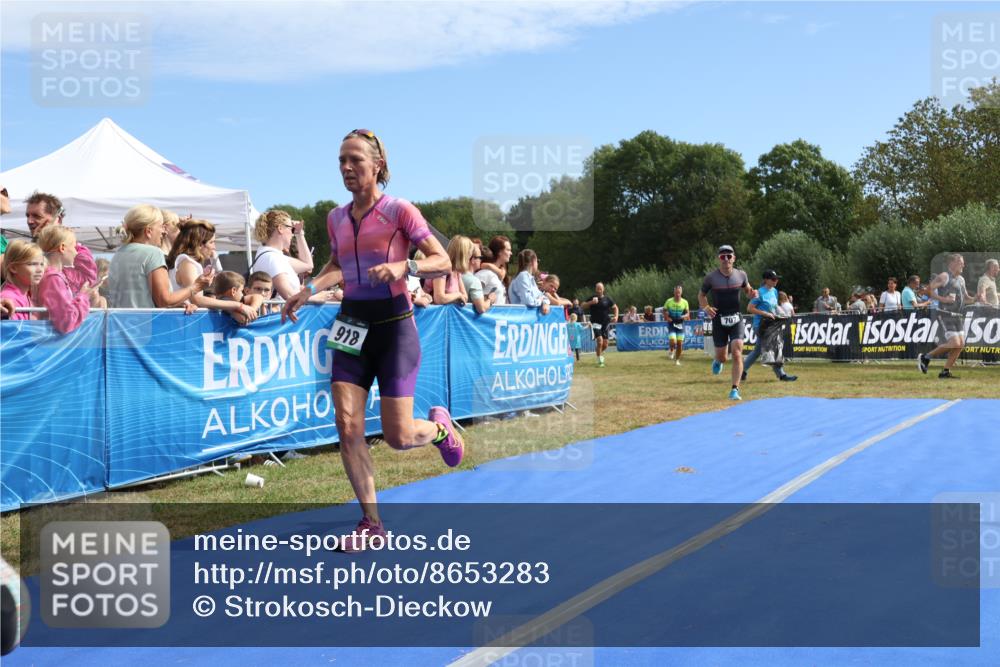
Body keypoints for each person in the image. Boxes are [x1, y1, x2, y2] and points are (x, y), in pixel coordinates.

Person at [281, 128, 461, 552]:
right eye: (341, 160)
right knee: (346, 425)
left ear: (377, 164)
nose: (346, 168)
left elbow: (443, 259)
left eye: (355, 160)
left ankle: (438, 430)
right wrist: (308, 290)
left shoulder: (399, 211)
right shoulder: (335, 217)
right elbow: (335, 264)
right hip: (351, 326)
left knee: (397, 437)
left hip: (395, 326)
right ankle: (371, 522)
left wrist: (406, 268)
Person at [108, 204, 213, 311]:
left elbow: (135, 298)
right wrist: (195, 287)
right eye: (161, 226)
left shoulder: (118, 253)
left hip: (118, 324)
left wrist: (179, 303)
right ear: (148, 231)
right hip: (146, 325)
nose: (164, 231)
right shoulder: (153, 253)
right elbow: (164, 300)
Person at [699, 244, 754, 400]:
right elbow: (701, 296)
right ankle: (718, 361)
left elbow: (748, 290)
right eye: (723, 257)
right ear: (719, 259)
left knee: (737, 352)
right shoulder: (711, 278)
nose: (726, 259)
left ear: (734, 258)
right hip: (719, 320)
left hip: (736, 318)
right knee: (723, 357)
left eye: (729, 256)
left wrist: (752, 294)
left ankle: (734, 389)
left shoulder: (741, 275)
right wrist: (706, 307)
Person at [24, 191, 98, 297]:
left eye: (36, 216)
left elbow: (88, 281)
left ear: (57, 219)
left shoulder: (72, 249)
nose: (29, 221)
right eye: (28, 216)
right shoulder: (27, 250)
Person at [918, 253, 975, 379]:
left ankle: (945, 371)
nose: (963, 265)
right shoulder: (944, 276)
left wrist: (977, 298)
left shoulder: (961, 279)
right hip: (945, 314)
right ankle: (925, 357)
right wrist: (942, 299)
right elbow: (927, 290)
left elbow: (966, 298)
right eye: (961, 262)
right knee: (954, 342)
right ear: (952, 263)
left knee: (960, 344)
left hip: (957, 315)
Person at [35, 226, 96, 334]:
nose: (76, 252)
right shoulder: (53, 279)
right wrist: (83, 297)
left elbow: (87, 277)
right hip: (54, 346)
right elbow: (67, 322)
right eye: (74, 247)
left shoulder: (54, 274)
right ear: (62, 248)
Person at [742, 270, 797, 383]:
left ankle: (741, 371)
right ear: (766, 280)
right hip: (760, 325)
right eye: (773, 279)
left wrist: (781, 312)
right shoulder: (759, 293)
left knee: (757, 351)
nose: (776, 280)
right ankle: (781, 375)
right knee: (775, 347)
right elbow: (750, 308)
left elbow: (774, 306)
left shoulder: (775, 292)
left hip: (771, 325)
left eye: (776, 278)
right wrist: (765, 313)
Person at [252, 210, 314, 300]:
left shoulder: (273, 255)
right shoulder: (271, 258)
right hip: (281, 313)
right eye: (291, 229)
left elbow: (308, 265)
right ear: (280, 228)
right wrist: (318, 297)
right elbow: (289, 295)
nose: (292, 234)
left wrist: (299, 233)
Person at [166, 219, 222, 291]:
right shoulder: (187, 263)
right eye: (211, 242)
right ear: (200, 244)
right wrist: (234, 303)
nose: (214, 247)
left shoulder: (187, 262)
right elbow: (196, 298)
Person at [0, 240, 44, 320]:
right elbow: (14, 331)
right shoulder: (9, 299)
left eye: (41, 264)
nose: (40, 269)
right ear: (13, 268)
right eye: (32, 264)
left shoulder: (24, 294)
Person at [583, 282, 617, 367]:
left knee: (605, 344)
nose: (598, 290)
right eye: (597, 289)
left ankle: (599, 353)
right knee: (599, 341)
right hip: (595, 323)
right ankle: (599, 361)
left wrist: (616, 316)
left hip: (605, 323)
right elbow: (582, 305)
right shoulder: (592, 298)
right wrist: (591, 302)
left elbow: (615, 307)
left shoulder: (607, 299)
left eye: (600, 289)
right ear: (595, 289)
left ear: (603, 289)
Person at [508, 249, 551, 315]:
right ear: (533, 261)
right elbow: (528, 301)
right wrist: (540, 301)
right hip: (520, 317)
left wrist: (545, 303)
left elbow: (541, 295)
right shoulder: (523, 276)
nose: (537, 264)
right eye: (537, 261)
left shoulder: (529, 278)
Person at [433, 236, 470, 307]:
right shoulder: (442, 269)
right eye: (469, 256)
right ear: (463, 256)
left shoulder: (457, 273)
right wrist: (458, 295)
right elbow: (439, 298)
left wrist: (457, 296)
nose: (469, 260)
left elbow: (465, 297)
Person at [476, 235, 511, 305]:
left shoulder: (500, 273)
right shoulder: (485, 273)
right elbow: (471, 296)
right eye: (508, 250)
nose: (511, 253)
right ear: (499, 252)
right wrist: (487, 299)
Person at [663, 285, 689, 364]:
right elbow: (664, 310)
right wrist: (667, 317)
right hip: (672, 323)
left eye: (679, 292)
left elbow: (688, 313)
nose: (678, 294)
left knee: (680, 343)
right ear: (674, 292)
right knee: (673, 341)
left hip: (680, 324)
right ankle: (671, 350)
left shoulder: (685, 302)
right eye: (676, 292)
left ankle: (677, 360)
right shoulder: (669, 301)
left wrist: (684, 316)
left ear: (681, 292)